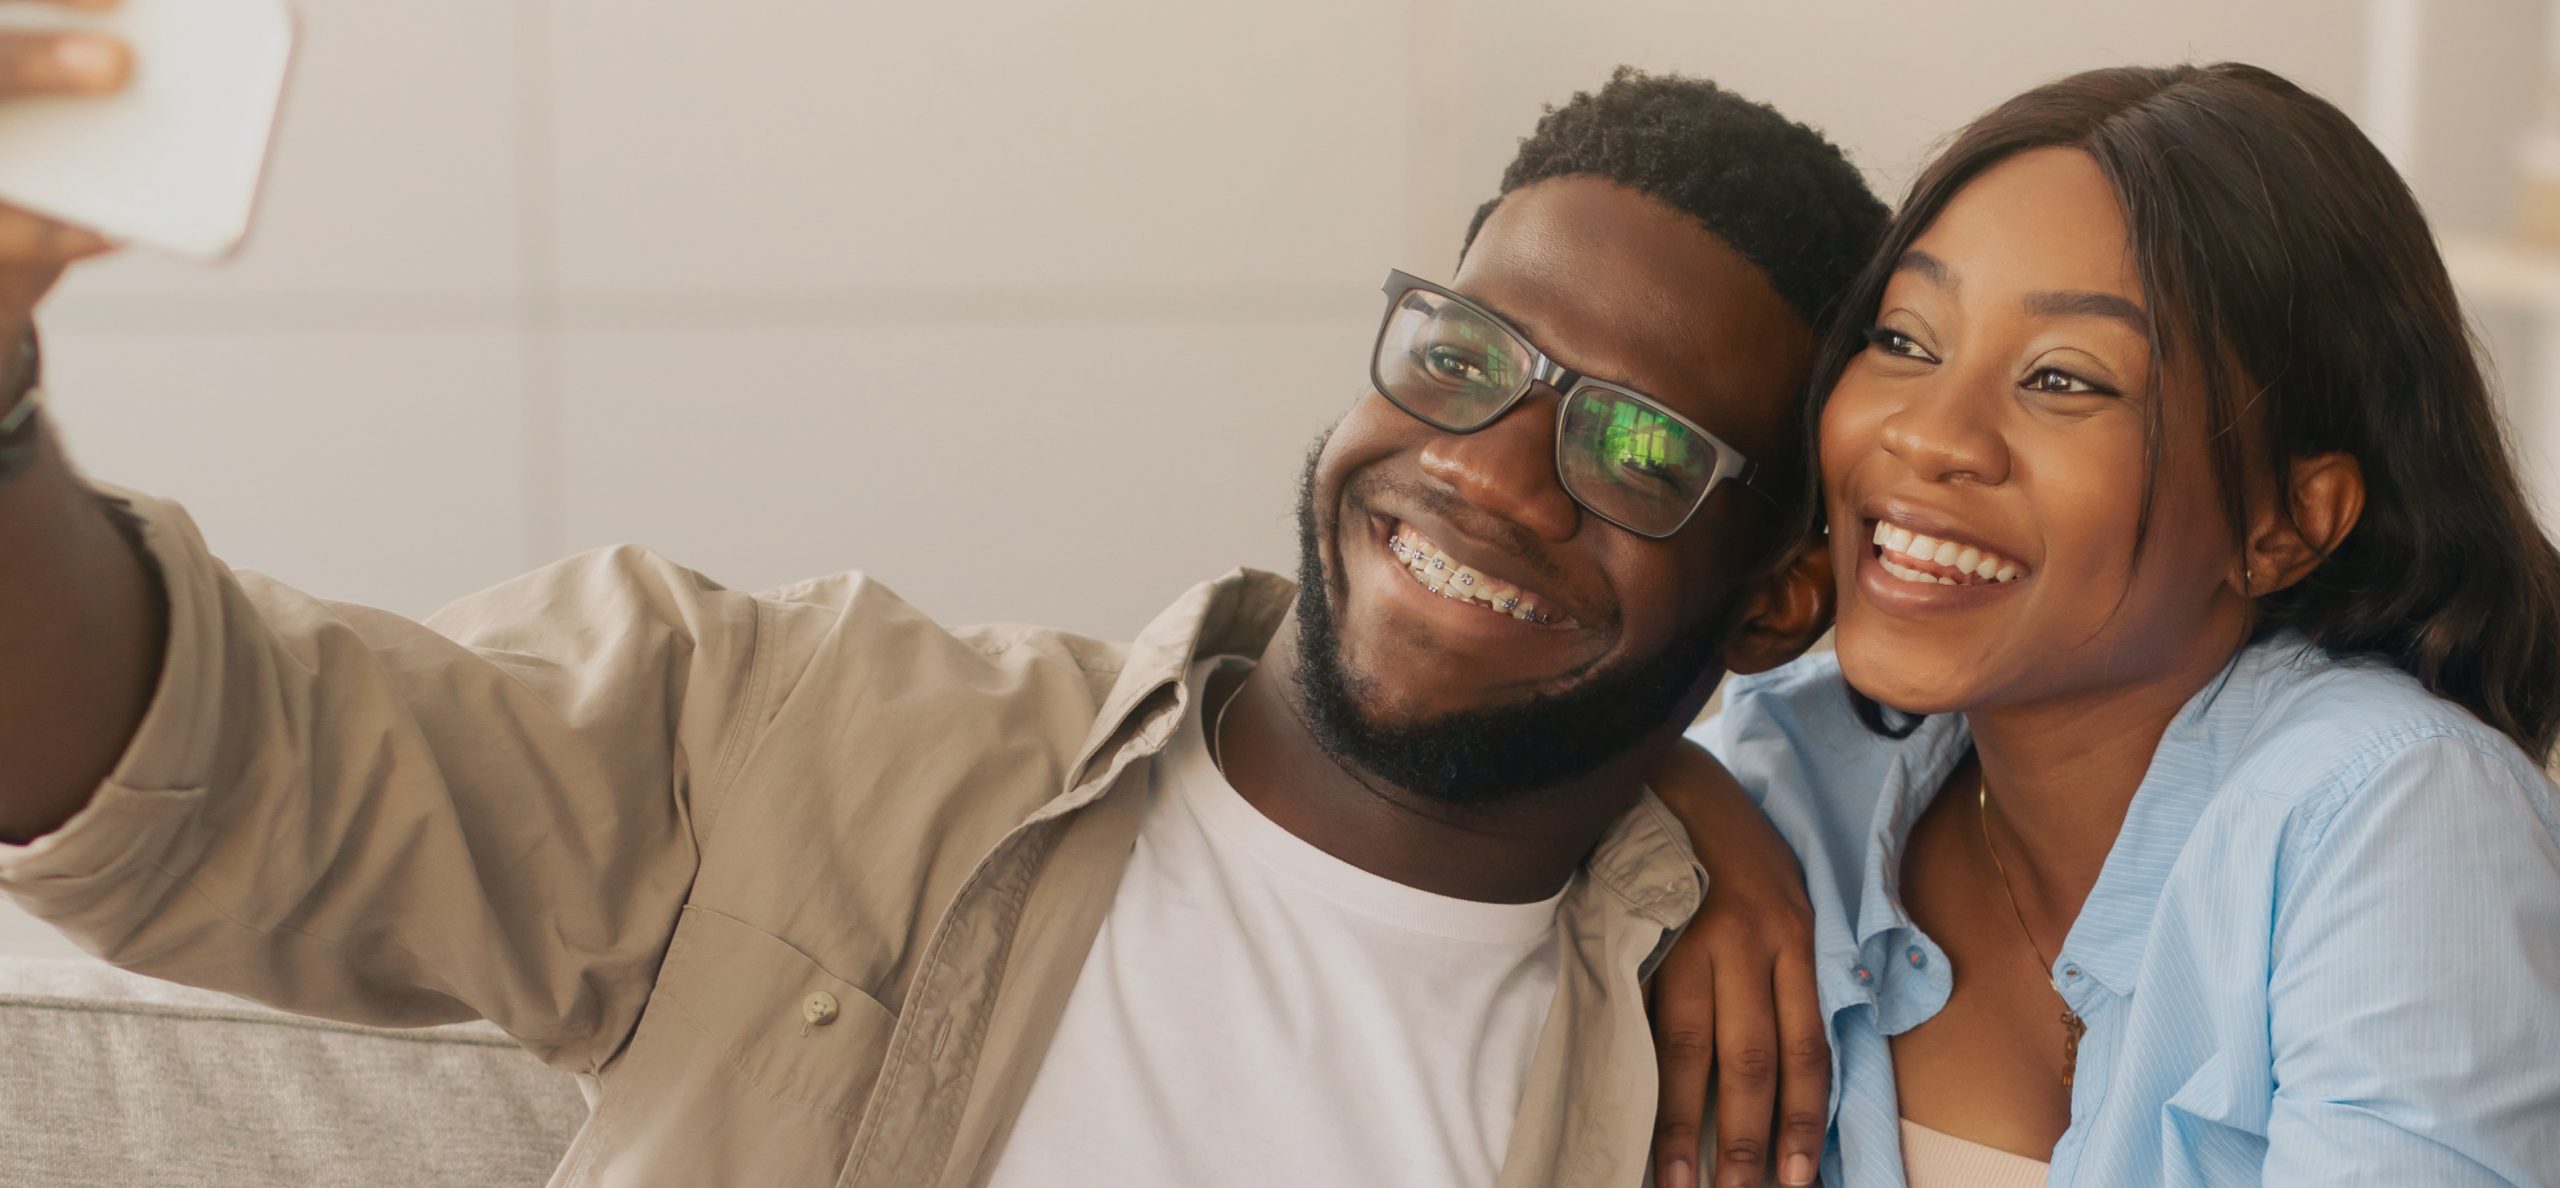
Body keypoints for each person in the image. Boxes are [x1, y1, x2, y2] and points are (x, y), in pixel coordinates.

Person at [0, 28, 1887, 1187]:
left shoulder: (1723, 1065)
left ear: (1776, 593)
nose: (1487, 465)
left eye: (1635, 447)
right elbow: (216, 777)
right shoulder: (804, 730)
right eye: (1465, 349)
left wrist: (1707, 807)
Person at [1651, 62, 2560, 1187]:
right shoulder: (1785, 783)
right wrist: (1664, 801)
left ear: (2284, 521)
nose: (1931, 437)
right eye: (1904, 341)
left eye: (2063, 380)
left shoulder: (2387, 815)